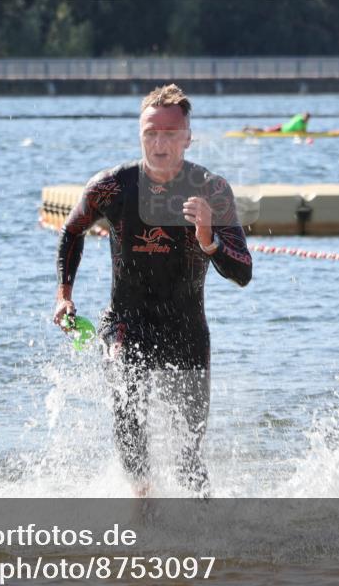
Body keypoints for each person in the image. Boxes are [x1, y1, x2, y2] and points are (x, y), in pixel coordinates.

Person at [54, 84, 252, 496]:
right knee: (128, 409)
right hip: (126, 323)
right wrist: (64, 295)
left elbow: (243, 272)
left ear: (188, 137)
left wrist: (208, 237)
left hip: (186, 329)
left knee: (188, 457)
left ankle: (210, 541)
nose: (159, 143)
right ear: (139, 134)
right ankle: (141, 510)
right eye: (150, 133)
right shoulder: (111, 187)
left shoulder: (212, 191)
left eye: (170, 133)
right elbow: (71, 231)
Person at [243, 112, 310, 134]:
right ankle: (248, 128)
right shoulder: (298, 119)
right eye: (305, 117)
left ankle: (249, 128)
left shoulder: (304, 123)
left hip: (282, 129)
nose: (306, 119)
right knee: (263, 131)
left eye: (307, 118)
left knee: (264, 130)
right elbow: (302, 131)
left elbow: (304, 131)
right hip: (280, 128)